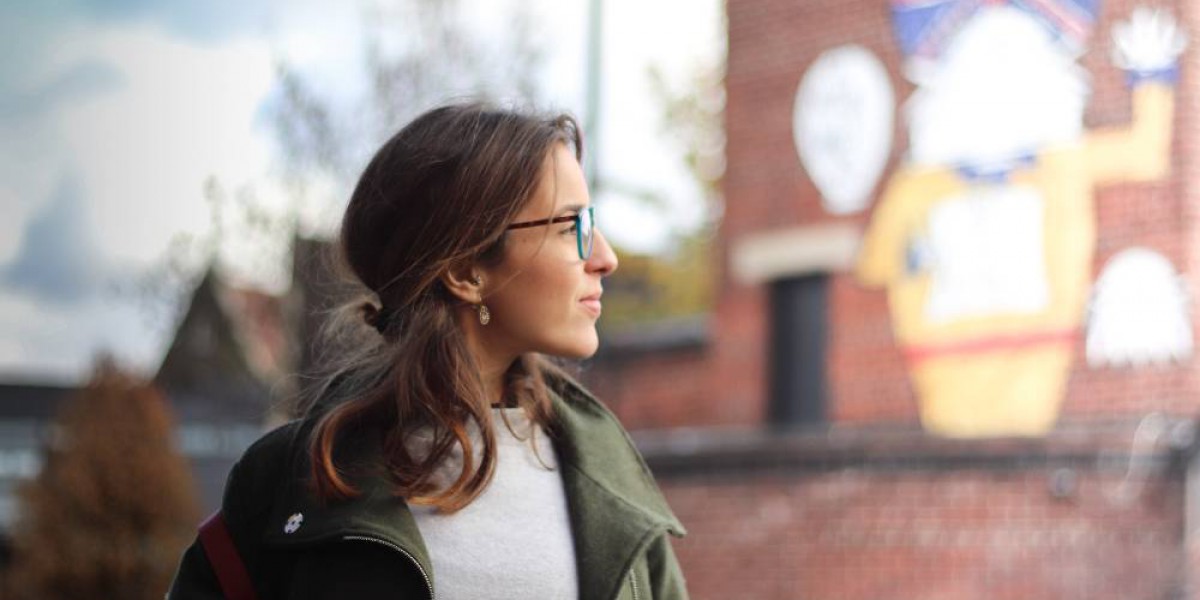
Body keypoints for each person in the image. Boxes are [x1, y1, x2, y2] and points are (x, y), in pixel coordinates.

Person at [167, 102, 688, 600]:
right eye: (571, 226)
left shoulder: (610, 485)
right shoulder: (290, 481)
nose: (606, 257)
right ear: (464, 271)